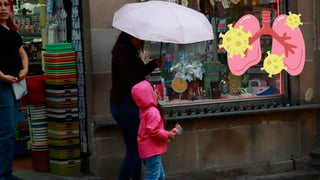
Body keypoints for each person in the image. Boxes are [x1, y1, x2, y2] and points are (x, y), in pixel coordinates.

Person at [109, 32, 164, 180]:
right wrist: (149, 102)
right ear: (129, 36)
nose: (141, 40)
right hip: (126, 105)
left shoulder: (129, 52)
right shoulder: (123, 54)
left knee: (137, 150)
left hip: (127, 104)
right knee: (134, 151)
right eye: (138, 37)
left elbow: (136, 75)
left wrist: (152, 65)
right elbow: (133, 82)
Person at [0, 0, 28, 179]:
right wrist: (1, 76)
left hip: (14, 85)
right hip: (2, 85)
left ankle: (7, 171)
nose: (3, 8)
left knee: (9, 131)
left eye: (5, 4)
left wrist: (25, 69)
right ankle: (3, 173)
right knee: (7, 130)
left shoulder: (12, 31)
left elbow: (22, 53)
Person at [131, 80, 176, 180]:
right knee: (153, 175)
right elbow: (153, 131)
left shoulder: (145, 110)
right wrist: (167, 134)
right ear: (149, 94)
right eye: (154, 90)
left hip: (148, 150)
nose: (157, 92)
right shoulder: (152, 111)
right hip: (152, 151)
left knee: (160, 175)